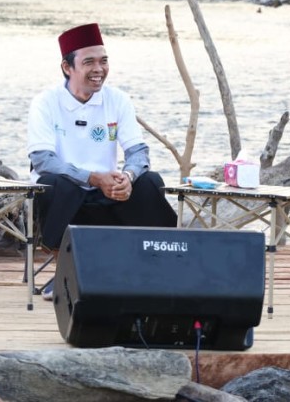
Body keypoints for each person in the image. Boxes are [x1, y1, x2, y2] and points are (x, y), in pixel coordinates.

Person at [27, 23, 178, 300]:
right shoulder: (45, 102)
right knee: (52, 184)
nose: (99, 69)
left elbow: (139, 153)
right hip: (69, 193)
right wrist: (93, 177)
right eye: (89, 62)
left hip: (109, 193)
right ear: (67, 67)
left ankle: (154, 270)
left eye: (103, 61)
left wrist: (127, 178)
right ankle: (65, 273)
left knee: (150, 182)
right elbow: (43, 161)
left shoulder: (118, 99)